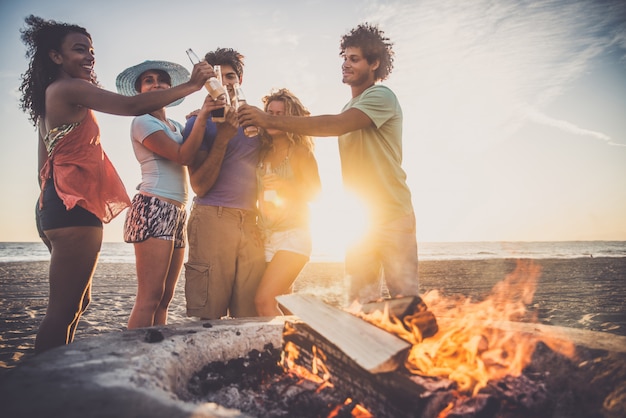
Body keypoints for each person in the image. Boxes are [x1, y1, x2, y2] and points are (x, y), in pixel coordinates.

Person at [18, 15, 212, 353]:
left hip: (60, 204)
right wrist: (194, 85)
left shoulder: (51, 99)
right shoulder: (69, 88)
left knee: (78, 304)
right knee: (63, 310)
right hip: (73, 206)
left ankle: (56, 374)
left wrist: (45, 208)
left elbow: (42, 167)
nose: (89, 56)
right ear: (56, 56)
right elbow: (129, 105)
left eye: (91, 50)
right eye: (79, 50)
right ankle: (42, 385)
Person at [238, 23, 419, 306]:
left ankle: (417, 350)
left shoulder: (381, 96)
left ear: (374, 63)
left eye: (354, 59)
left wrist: (269, 120)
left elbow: (336, 125)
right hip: (362, 220)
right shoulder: (348, 107)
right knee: (361, 303)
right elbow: (335, 121)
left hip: (393, 214)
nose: (346, 64)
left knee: (405, 301)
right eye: (344, 58)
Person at [115, 61, 218, 329]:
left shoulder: (173, 124)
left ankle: (153, 348)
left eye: (161, 80)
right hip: (153, 206)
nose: (156, 84)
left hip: (178, 211)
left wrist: (196, 121)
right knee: (149, 297)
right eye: (148, 81)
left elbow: (194, 148)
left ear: (170, 88)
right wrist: (202, 119)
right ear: (139, 92)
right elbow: (182, 156)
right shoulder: (142, 121)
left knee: (165, 298)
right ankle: (135, 358)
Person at [183, 47, 265, 320]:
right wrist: (222, 136)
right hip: (212, 219)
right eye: (215, 77)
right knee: (208, 315)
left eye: (229, 76)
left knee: (249, 316)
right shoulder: (198, 122)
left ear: (239, 80)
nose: (223, 83)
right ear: (206, 83)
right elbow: (199, 186)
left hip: (252, 223)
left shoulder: (257, 122)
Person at [254, 89, 321, 316]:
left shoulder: (300, 152)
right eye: (269, 113)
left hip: (294, 235)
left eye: (279, 114)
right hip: (267, 236)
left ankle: (287, 350)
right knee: (284, 303)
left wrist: (285, 185)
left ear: (291, 118)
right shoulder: (262, 151)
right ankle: (300, 349)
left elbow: (315, 193)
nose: (272, 118)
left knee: (264, 301)